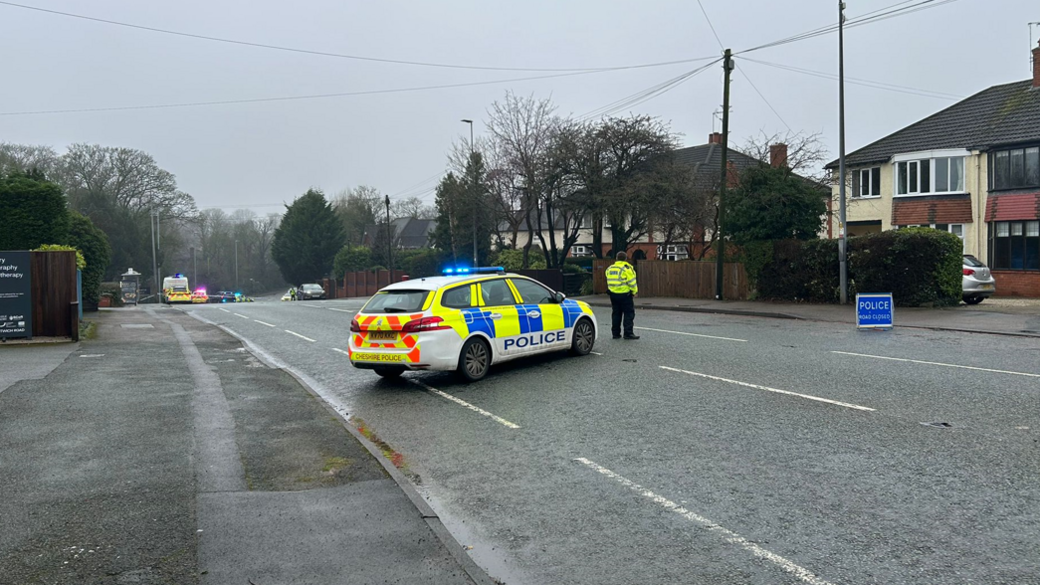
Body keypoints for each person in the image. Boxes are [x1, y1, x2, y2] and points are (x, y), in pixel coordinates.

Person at [605, 251, 639, 340]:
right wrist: (634, 292)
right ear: (625, 258)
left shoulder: (610, 268)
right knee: (629, 313)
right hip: (625, 295)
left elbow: (608, 279)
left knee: (616, 313)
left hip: (613, 295)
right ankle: (628, 333)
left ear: (616, 258)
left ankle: (615, 333)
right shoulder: (627, 268)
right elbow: (632, 282)